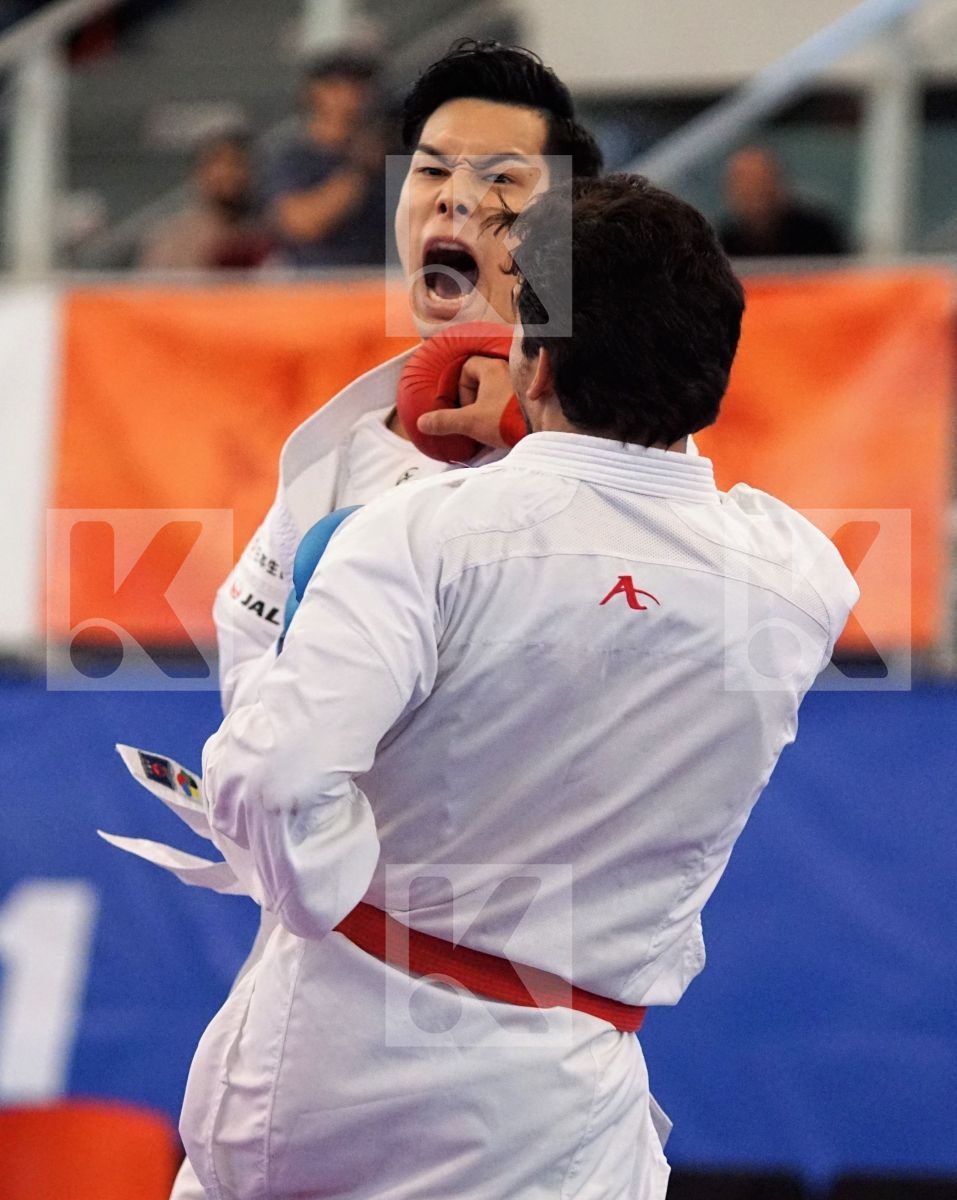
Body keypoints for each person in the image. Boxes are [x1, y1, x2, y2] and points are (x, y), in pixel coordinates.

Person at [174, 172, 858, 1198]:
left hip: (337, 1065)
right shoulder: (802, 581)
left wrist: (325, 888)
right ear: (711, 371)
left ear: (530, 360)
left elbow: (268, 784)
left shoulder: (417, 534)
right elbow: (652, 488)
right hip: (566, 1102)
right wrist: (559, 417)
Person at [128, 39, 601, 1200]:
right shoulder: (341, 449)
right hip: (296, 1022)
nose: (453, 197)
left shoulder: (618, 473)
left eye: (501, 181)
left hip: (490, 1072)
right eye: (431, 169)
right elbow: (267, 707)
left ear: (572, 237)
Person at [262, 51, 388, 268]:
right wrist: (360, 171)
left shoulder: (389, 151)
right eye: (338, 87)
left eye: (359, 86)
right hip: (320, 288)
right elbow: (302, 224)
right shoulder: (293, 159)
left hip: (382, 284)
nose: (351, 97)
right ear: (315, 93)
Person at [139, 131, 272, 270]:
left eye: (236, 163)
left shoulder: (268, 234)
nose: (226, 173)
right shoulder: (171, 241)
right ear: (198, 173)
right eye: (216, 163)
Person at [719, 144, 848, 258]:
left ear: (779, 183)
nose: (753, 192)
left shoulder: (817, 234)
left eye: (761, 182)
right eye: (744, 183)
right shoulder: (721, 243)